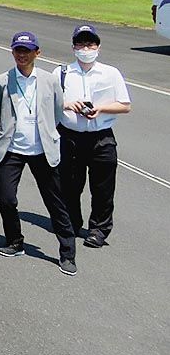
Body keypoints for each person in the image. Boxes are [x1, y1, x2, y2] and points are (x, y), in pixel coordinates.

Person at [0, 32, 77, 275]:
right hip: (13, 149)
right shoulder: (2, 80)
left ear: (37, 53)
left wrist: (46, 133)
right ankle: (14, 241)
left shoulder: (50, 80)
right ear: (12, 51)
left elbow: (57, 111)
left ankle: (67, 253)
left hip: (42, 150)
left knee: (55, 203)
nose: (22, 55)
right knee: (5, 198)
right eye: (18, 50)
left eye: (27, 51)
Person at [56, 24, 131, 248]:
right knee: (70, 185)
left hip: (101, 138)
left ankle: (98, 230)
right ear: (73, 47)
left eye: (90, 44)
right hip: (70, 136)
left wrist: (101, 108)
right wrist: (68, 105)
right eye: (81, 44)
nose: (85, 49)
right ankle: (71, 222)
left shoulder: (110, 73)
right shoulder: (61, 73)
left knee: (103, 188)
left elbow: (125, 105)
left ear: (98, 47)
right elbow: (49, 102)